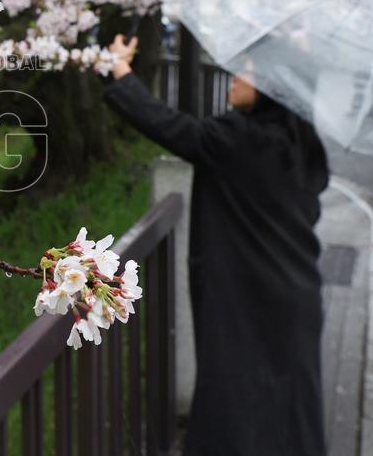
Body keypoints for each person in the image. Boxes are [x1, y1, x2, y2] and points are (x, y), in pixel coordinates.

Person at [104, 34, 329, 456]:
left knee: (233, 404)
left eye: (248, 70)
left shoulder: (241, 139)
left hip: (249, 300)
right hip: (296, 296)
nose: (236, 77)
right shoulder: (302, 143)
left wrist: (121, 71)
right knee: (292, 410)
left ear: (273, 86)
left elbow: (168, 126)